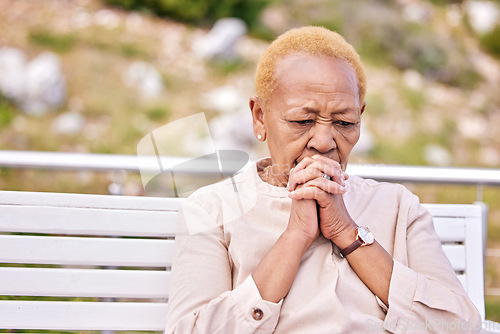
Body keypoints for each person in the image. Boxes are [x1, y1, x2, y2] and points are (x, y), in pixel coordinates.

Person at [164, 26, 481, 333]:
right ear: (259, 117)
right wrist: (295, 236)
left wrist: (348, 233)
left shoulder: (399, 207)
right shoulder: (212, 210)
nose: (325, 141)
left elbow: (461, 327)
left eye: (344, 122)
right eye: (303, 120)